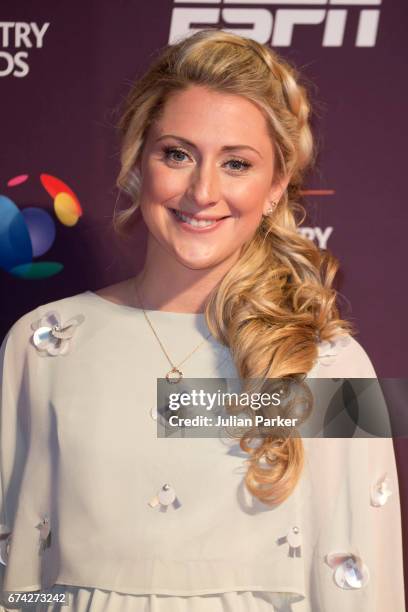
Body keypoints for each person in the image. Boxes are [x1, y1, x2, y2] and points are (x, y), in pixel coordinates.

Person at [0, 29, 405, 612]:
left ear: (275, 189)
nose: (203, 191)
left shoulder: (329, 361)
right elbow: (19, 572)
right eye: (177, 154)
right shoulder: (45, 344)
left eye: (237, 163)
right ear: (139, 163)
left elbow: (363, 581)